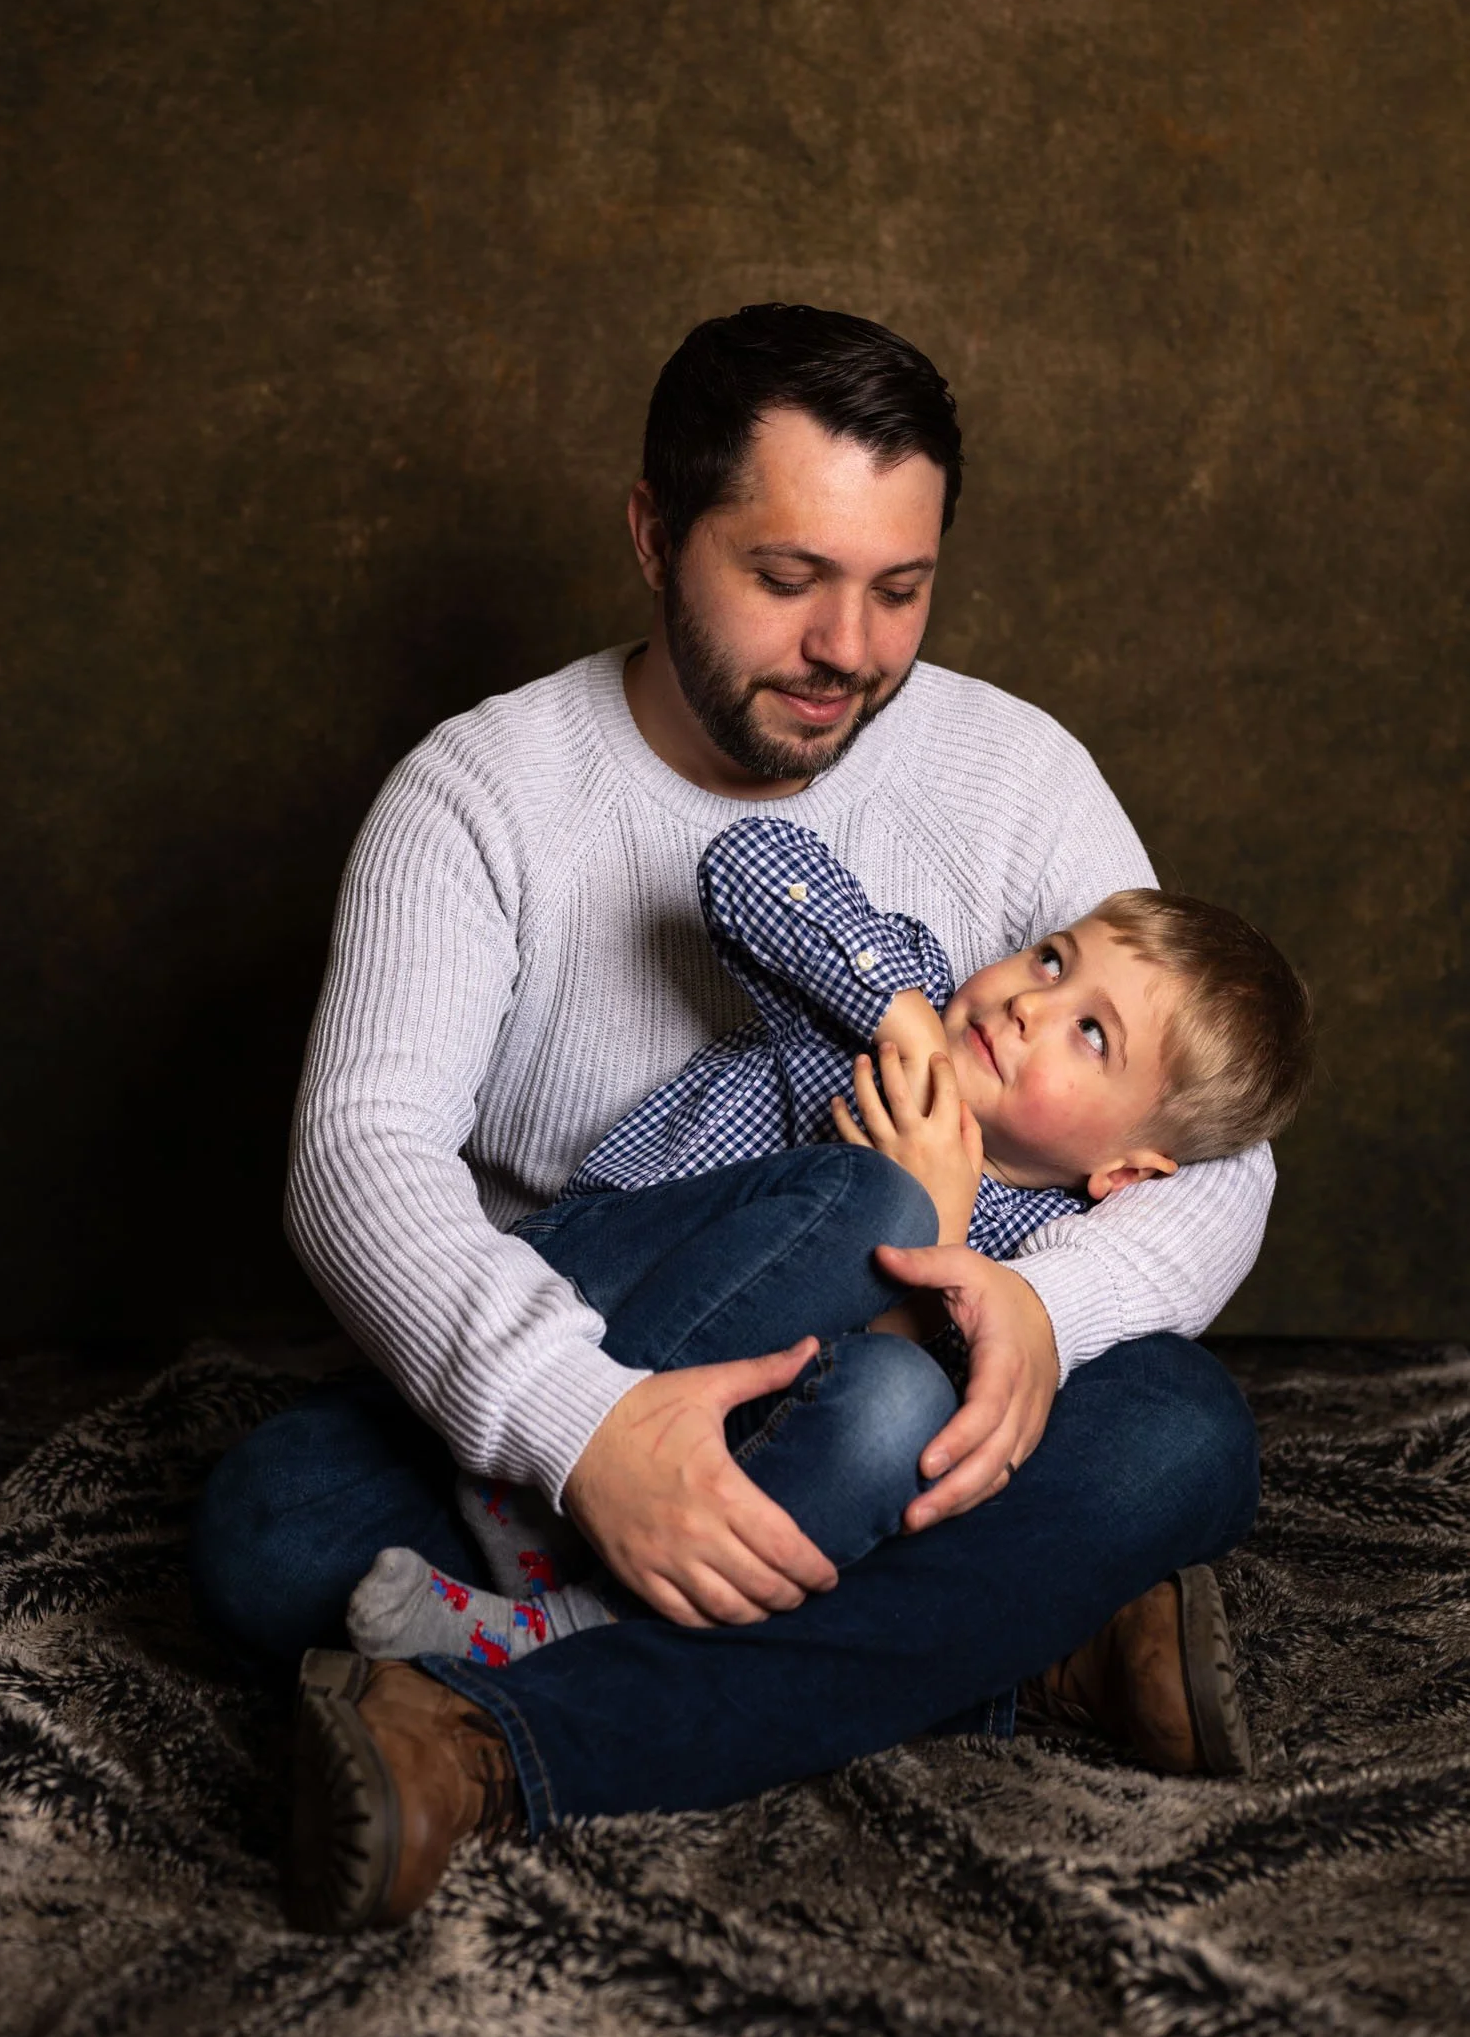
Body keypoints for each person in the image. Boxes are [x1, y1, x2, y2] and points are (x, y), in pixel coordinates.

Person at [189, 304, 1277, 1934]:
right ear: (651, 533)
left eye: (898, 589)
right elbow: (359, 1162)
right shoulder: (478, 793)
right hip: (567, 1351)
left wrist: (1039, 1312)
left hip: (854, 1413)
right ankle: (1006, 1644)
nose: (847, 646)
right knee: (269, 1539)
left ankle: (490, 1744)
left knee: (1186, 1438)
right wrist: (585, 1429)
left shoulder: (1015, 767)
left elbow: (1217, 1146)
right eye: (785, 580)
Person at [342, 818, 1311, 1673]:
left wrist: (944, 1240)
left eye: (1090, 1035)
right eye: (1051, 962)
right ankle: (525, 1488)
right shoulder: (882, 1020)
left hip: (731, 1448)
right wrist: (902, 1022)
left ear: (1124, 1174)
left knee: (900, 1403)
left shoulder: (1038, 1256)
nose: (1029, 1005)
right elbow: (747, 864)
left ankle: (571, 1625)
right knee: (875, 1203)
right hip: (595, 1301)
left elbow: (907, 1417)